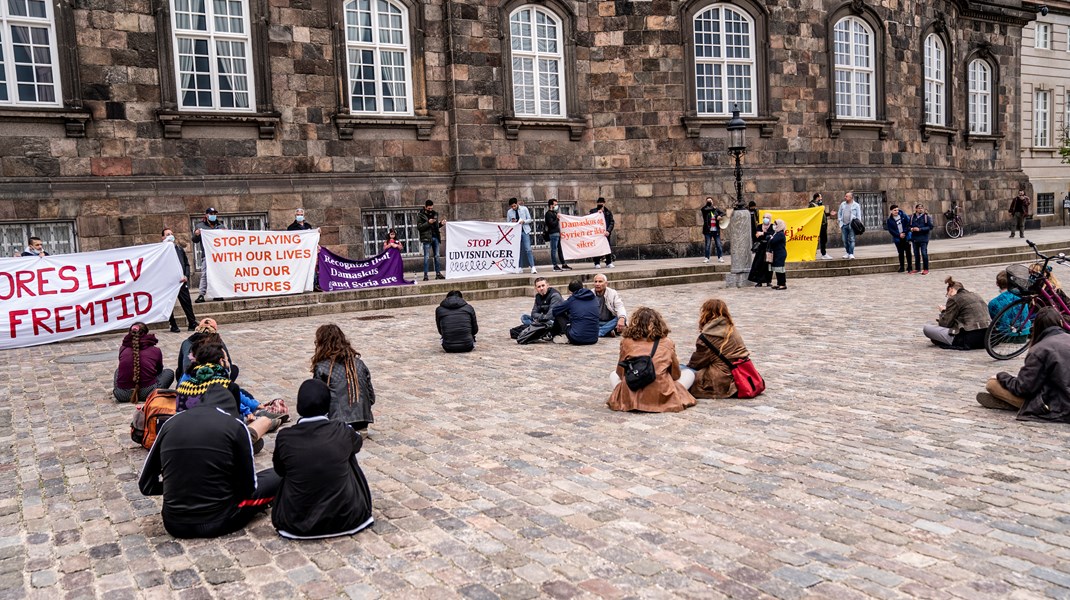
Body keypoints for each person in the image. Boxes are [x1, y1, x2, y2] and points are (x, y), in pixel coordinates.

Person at [139, 382, 280, 539]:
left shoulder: (170, 423)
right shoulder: (235, 426)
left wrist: (182, 486)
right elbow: (248, 488)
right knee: (278, 475)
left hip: (174, 523)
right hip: (220, 520)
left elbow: (146, 486)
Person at [271, 379, 374, 539]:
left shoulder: (285, 437)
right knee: (347, 452)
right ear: (328, 406)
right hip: (348, 518)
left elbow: (279, 470)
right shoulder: (342, 430)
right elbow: (358, 443)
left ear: (299, 407)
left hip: (295, 523)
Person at [175, 337, 279, 451]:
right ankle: (263, 419)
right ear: (221, 361)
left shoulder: (185, 385)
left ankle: (259, 417)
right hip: (217, 442)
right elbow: (233, 424)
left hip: (184, 439)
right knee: (259, 435)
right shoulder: (226, 386)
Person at [976, 307, 1070, 421]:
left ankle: (1013, 404)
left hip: (1057, 405)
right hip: (1059, 395)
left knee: (992, 384)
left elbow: (1023, 388)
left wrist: (1002, 376)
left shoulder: (1040, 349)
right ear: (1060, 322)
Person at [607, 307, 697, 413]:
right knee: (689, 374)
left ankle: (631, 398)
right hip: (661, 394)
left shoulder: (626, 342)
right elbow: (676, 375)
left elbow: (620, 373)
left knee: (613, 374)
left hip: (633, 389)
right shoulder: (667, 342)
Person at [310, 324, 376, 434]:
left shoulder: (321, 367)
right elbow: (371, 397)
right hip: (362, 422)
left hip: (335, 424)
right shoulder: (359, 364)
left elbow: (317, 401)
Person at [684, 298, 751, 399]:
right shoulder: (731, 329)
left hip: (721, 378)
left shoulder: (708, 336)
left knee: (681, 370)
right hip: (738, 374)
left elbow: (697, 362)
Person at [922, 276, 991, 350]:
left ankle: (948, 340)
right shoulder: (976, 295)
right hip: (988, 336)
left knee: (927, 328)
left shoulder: (954, 299)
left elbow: (945, 324)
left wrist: (943, 311)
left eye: (947, 294)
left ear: (951, 290)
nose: (948, 297)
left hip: (969, 338)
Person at [113, 322, 175, 403]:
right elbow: (159, 371)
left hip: (122, 394)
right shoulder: (155, 350)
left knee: (118, 370)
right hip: (149, 392)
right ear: (146, 334)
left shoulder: (123, 349)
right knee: (169, 372)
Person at [163, 228, 198, 333]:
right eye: (167, 234)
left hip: (181, 281)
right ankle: (173, 324)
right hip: (168, 282)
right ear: (163, 237)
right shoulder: (161, 251)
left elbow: (186, 264)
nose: (170, 235)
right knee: (169, 304)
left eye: (171, 234)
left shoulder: (178, 249)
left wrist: (186, 275)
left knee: (186, 301)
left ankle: (192, 322)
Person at [551, 279, 599, 345]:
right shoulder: (594, 298)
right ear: (582, 287)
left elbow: (555, 310)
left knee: (559, 314)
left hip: (576, 338)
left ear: (571, 291)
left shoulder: (572, 300)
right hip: (593, 338)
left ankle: (554, 334)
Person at [192, 207, 223, 303]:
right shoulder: (201, 226)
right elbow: (194, 240)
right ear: (206, 215)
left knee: (218, 274)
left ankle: (217, 293)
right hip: (207, 255)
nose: (213, 215)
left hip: (218, 256)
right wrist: (197, 234)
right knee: (204, 275)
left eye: (214, 213)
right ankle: (201, 294)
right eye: (211, 213)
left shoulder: (220, 225)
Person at [988, 269, 1024, 336]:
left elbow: (993, 321)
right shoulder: (1023, 298)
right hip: (1024, 332)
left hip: (1005, 335)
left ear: (997, 283)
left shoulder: (993, 303)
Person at [417, 200, 446, 281]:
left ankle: (438, 273)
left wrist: (441, 224)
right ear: (425, 207)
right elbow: (419, 227)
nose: (430, 210)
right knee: (426, 257)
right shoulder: (421, 215)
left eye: (431, 208)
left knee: (437, 255)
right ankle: (425, 275)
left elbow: (436, 226)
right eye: (429, 208)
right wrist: (428, 222)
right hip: (426, 238)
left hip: (435, 237)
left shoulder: (435, 213)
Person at [507, 197, 537, 274]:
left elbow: (530, 219)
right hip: (516, 232)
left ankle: (532, 266)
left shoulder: (524, 209)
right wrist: (512, 222)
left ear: (517, 204)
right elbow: (508, 223)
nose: (513, 207)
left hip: (525, 231)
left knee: (528, 249)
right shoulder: (509, 212)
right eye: (512, 206)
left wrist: (523, 221)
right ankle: (520, 266)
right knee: (519, 250)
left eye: (514, 206)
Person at [747, 213, 774, 287]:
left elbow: (771, 235)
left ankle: (768, 281)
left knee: (768, 265)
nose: (765, 219)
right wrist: (764, 234)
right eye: (764, 217)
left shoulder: (772, 226)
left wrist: (763, 233)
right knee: (758, 265)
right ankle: (759, 281)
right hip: (761, 248)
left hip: (768, 248)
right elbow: (757, 236)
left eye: (767, 217)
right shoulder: (759, 226)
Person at [544, 198, 571, 271]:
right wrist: (557, 219)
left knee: (560, 250)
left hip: (557, 233)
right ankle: (555, 265)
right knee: (554, 250)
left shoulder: (554, 213)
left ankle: (563, 264)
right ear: (551, 205)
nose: (556, 206)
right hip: (553, 233)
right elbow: (551, 224)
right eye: (555, 205)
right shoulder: (548, 214)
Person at [885, 205, 913, 273]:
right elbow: (891, 230)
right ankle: (902, 267)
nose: (896, 211)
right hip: (898, 238)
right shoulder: (889, 220)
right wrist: (898, 235)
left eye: (897, 210)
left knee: (908, 252)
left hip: (906, 236)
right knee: (900, 252)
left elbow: (909, 224)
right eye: (894, 210)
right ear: (891, 211)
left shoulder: (903, 216)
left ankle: (909, 267)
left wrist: (904, 232)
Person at [589, 197, 616, 268]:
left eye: (602, 203)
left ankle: (608, 262)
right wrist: (597, 214)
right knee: (597, 248)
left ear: (604, 203)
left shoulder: (608, 212)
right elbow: (589, 220)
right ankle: (597, 263)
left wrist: (608, 230)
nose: (601, 204)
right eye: (599, 203)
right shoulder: (593, 211)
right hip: (597, 234)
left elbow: (611, 222)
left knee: (607, 248)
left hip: (605, 233)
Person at [909, 203, 933, 274]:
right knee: (916, 254)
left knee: (924, 253)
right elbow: (908, 227)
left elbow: (930, 227)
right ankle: (917, 268)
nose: (920, 209)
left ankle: (926, 268)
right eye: (919, 208)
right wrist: (912, 229)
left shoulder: (926, 217)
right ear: (916, 209)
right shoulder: (912, 217)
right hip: (915, 238)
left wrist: (920, 229)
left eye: (921, 208)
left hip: (923, 238)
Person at [837, 192, 862, 259]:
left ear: (851, 197)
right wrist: (840, 220)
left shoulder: (856, 205)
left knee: (852, 239)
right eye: (845, 196)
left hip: (852, 225)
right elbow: (839, 213)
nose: (845, 197)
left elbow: (858, 215)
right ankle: (847, 252)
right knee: (844, 240)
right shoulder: (843, 204)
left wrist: (858, 223)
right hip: (844, 224)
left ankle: (851, 253)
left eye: (846, 196)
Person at [700, 197, 724, 264]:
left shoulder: (716, 210)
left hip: (716, 230)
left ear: (713, 201)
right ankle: (706, 258)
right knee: (707, 245)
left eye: (710, 201)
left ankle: (720, 257)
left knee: (718, 244)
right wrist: (712, 207)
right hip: (708, 230)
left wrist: (720, 216)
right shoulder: (704, 209)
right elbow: (705, 209)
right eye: (708, 201)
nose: (709, 202)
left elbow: (723, 213)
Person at [809, 193, 832, 260]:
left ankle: (824, 253)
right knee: (815, 240)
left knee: (824, 239)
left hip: (823, 224)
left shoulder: (820, 204)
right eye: (820, 197)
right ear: (817, 197)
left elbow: (823, 214)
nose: (821, 198)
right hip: (817, 225)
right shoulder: (812, 205)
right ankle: (813, 254)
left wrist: (829, 214)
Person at [768, 219, 788, 290]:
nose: (774, 226)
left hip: (780, 254)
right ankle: (779, 283)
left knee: (780, 269)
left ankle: (783, 284)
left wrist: (770, 239)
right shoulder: (776, 233)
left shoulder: (780, 234)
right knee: (777, 269)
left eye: (775, 224)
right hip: (776, 253)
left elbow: (772, 241)